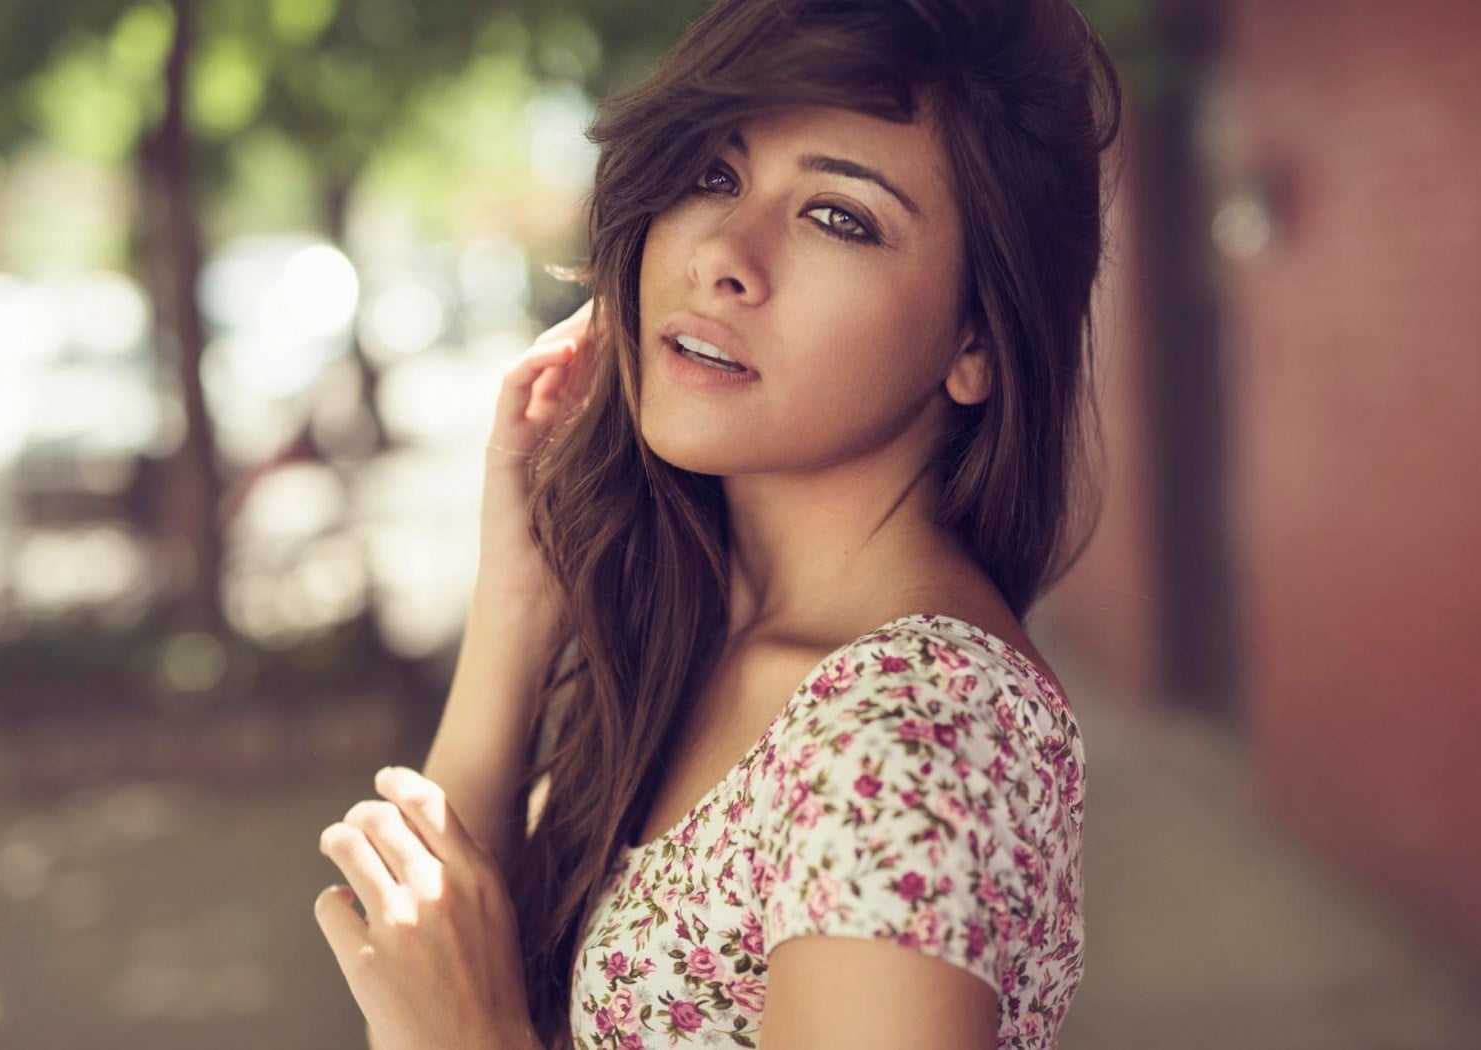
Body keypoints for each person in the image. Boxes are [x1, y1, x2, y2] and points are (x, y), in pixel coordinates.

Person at [313, 0, 1121, 1047]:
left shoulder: (912, 731)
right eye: (714, 174)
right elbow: (416, 967)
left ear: (978, 339)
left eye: (838, 216)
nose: (724, 256)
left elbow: (445, 1021)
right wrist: (517, 597)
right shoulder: (701, 640)